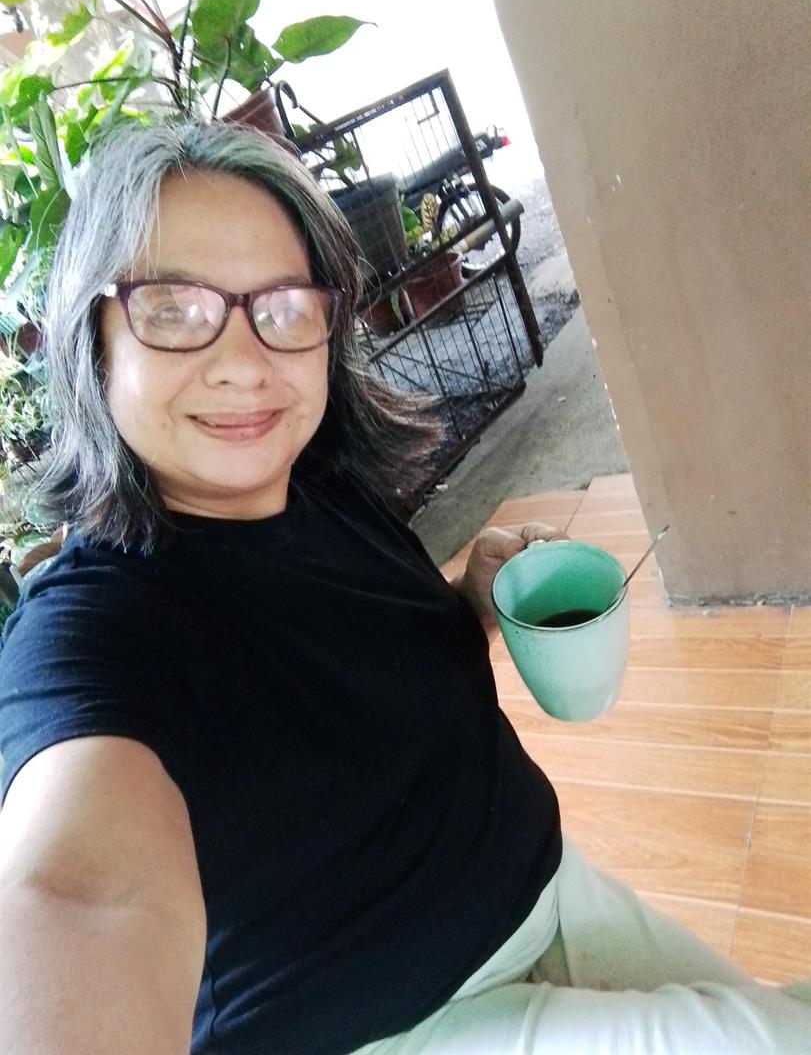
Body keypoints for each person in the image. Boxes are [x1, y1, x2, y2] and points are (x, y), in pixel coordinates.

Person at [0, 118, 808, 1055]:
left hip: (545, 888)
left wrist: (468, 598)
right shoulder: (91, 634)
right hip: (399, 1023)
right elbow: (80, 895)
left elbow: (354, 668)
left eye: (283, 306)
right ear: (91, 339)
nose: (244, 361)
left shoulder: (320, 484)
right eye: (174, 308)